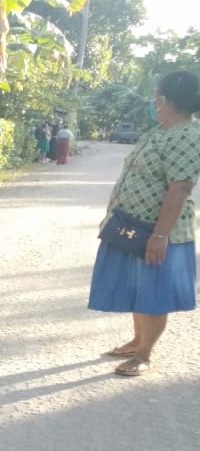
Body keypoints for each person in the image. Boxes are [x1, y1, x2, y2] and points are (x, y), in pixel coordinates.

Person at [88, 70, 200, 376]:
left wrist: (160, 236)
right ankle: (138, 341)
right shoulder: (161, 131)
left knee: (154, 293)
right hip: (134, 226)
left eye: (156, 95)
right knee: (138, 288)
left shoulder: (187, 136)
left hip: (162, 233)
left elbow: (180, 188)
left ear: (165, 99)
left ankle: (145, 355)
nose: (153, 101)